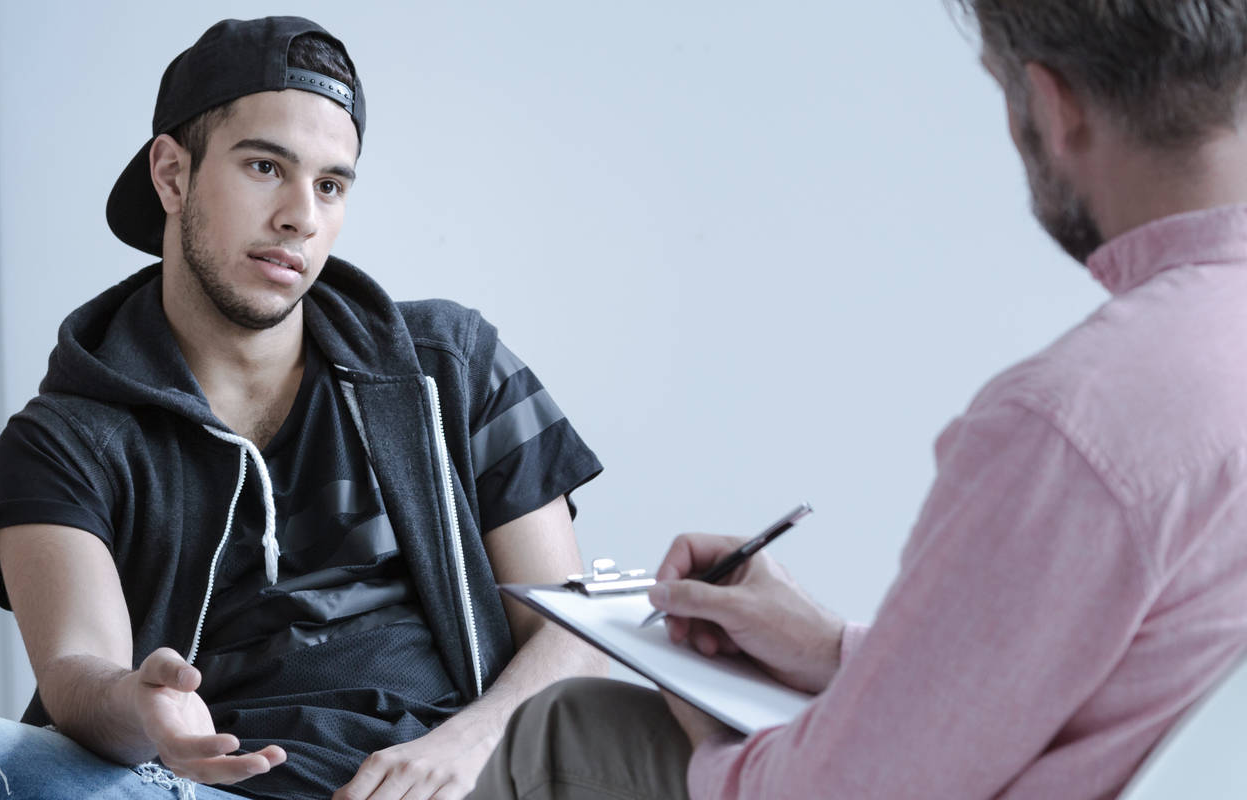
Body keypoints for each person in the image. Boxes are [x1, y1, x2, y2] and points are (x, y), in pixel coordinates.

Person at [0, 16, 612, 800]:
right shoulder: (64, 439)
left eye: (330, 184)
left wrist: (468, 747)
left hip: (443, 776)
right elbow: (80, 672)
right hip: (194, 785)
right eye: (265, 167)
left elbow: (574, 630)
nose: (301, 214)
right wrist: (142, 706)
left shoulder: (449, 366)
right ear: (172, 174)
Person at [470, 2, 1247, 798]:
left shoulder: (1075, 423)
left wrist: (693, 708)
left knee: (565, 729)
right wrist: (840, 651)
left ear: (1052, 106)